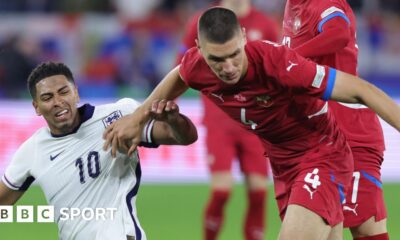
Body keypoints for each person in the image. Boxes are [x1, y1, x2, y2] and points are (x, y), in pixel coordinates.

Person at [103, 7, 400, 240]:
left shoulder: (279, 63)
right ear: (199, 48)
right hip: (283, 166)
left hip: (322, 156)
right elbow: (179, 75)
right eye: (217, 59)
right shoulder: (198, 66)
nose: (229, 67)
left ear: (244, 37)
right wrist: (139, 116)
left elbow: (361, 90)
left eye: (234, 54)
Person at [0, 62, 198, 240]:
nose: (58, 101)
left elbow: (185, 137)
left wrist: (173, 120)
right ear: (36, 107)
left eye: (63, 92)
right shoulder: (32, 150)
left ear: (75, 92)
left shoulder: (120, 116)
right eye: (47, 97)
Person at [282, 1, 389, 239]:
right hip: (317, 137)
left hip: (349, 131)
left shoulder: (324, 3)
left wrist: (288, 59)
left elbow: (339, 32)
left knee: (365, 228)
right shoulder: (293, 5)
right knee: (328, 228)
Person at [176, 1, 279, 239]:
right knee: (221, 191)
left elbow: (277, 66)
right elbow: (181, 67)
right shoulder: (204, 22)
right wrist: (169, 103)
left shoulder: (264, 24)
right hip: (219, 119)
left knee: (259, 192)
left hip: (255, 123)